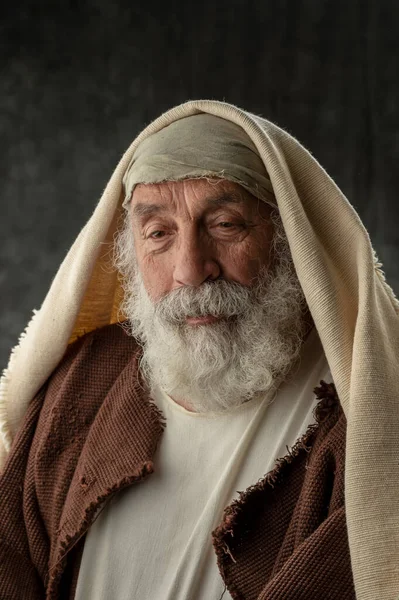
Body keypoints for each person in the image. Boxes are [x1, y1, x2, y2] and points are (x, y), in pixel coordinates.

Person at [0, 100, 398, 600]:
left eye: (225, 224)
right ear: (131, 251)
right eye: (159, 233)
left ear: (287, 237)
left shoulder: (363, 420)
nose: (190, 270)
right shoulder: (83, 379)